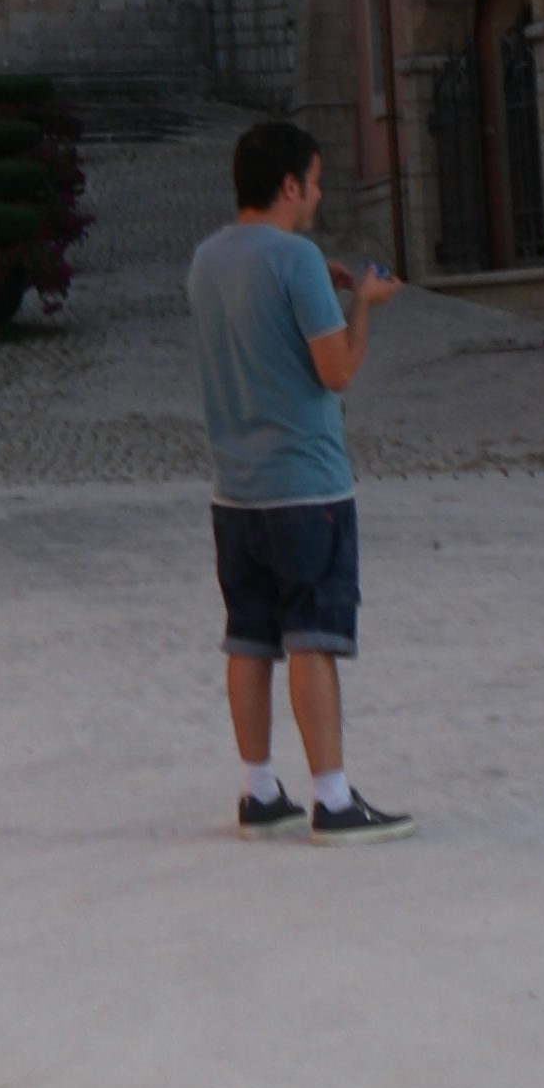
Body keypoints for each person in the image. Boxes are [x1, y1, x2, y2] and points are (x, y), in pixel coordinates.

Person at [184, 117, 409, 841]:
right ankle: (334, 800)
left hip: (235, 489)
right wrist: (362, 307)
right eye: (313, 182)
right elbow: (335, 371)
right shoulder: (298, 260)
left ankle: (258, 791)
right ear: (289, 185)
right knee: (314, 638)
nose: (317, 195)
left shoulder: (207, 260)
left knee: (249, 639)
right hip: (308, 486)